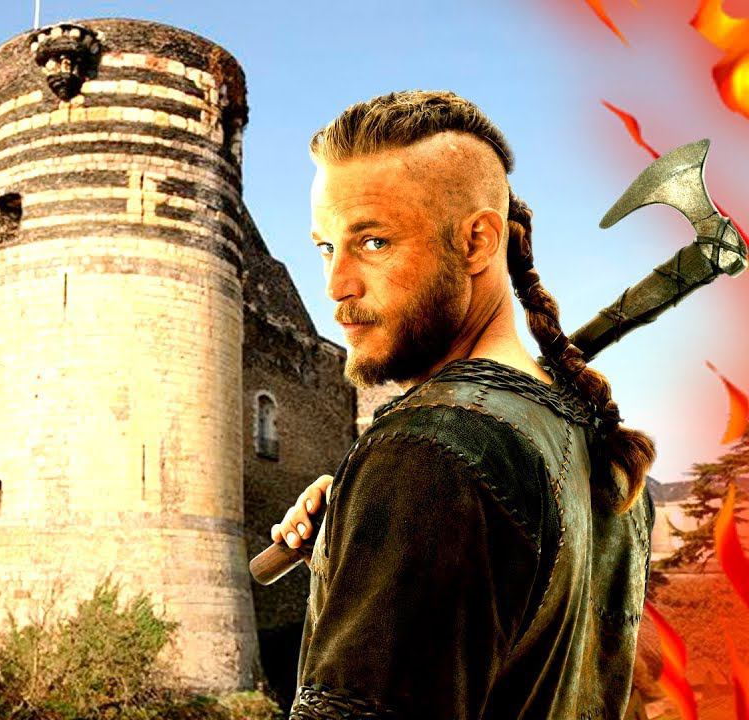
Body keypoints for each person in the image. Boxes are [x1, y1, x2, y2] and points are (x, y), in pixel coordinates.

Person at [271, 90, 656, 719]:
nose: (336, 285)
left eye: (373, 242)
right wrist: (356, 537)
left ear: (477, 242)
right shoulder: (604, 457)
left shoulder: (427, 455)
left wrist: (405, 484)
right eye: (325, 247)